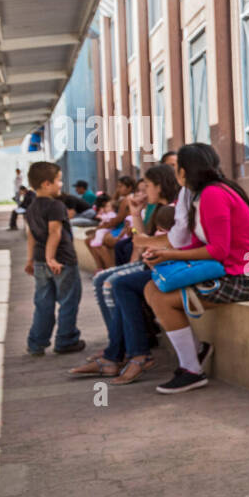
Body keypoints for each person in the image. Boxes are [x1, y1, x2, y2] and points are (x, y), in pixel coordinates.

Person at [143, 143, 249, 393]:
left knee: (162, 299)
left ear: (184, 172)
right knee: (152, 289)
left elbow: (218, 250)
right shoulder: (202, 194)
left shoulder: (213, 195)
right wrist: (168, 255)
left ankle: (191, 370)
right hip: (230, 271)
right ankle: (196, 351)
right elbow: (200, 243)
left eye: (177, 169)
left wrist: (168, 254)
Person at [69, 164, 183, 383]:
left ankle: (127, 353)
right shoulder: (155, 209)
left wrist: (138, 229)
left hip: (168, 267)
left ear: (159, 186)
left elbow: (157, 244)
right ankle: (117, 351)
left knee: (115, 282)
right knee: (106, 280)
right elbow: (140, 240)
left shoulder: (171, 209)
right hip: (153, 264)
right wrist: (135, 213)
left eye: (147, 187)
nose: (142, 192)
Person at [23, 162, 85, 356]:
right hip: (61, 261)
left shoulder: (31, 207)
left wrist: (31, 259)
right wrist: (51, 258)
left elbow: (31, 234)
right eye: (58, 180)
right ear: (46, 184)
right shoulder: (56, 205)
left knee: (43, 303)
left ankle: (36, 343)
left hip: (41, 261)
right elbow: (55, 232)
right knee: (68, 301)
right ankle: (65, 340)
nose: (61, 184)